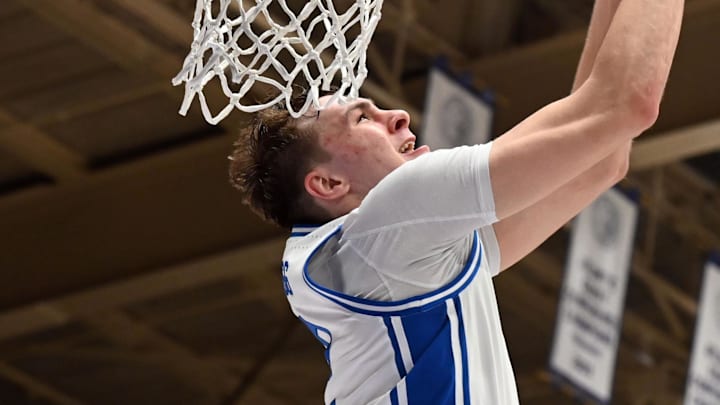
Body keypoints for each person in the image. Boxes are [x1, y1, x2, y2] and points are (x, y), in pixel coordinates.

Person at [228, 0, 684, 403]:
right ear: (327, 184)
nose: (398, 115)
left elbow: (599, 159)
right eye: (362, 117)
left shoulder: (392, 250)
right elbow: (626, 105)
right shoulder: (390, 221)